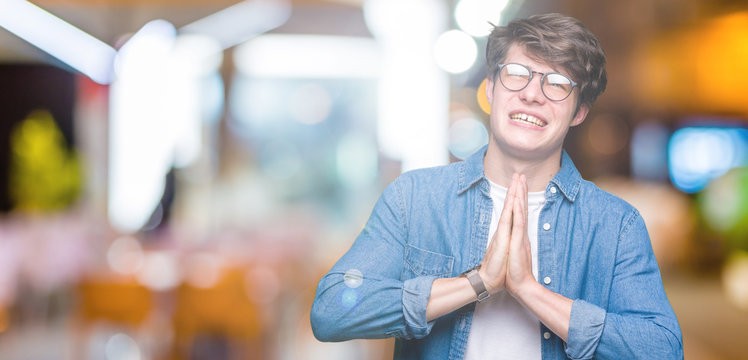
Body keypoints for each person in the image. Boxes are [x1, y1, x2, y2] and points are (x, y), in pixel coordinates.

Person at [310, 12, 683, 360]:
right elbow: (333, 309)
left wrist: (529, 291)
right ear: (491, 89)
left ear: (579, 112)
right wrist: (478, 282)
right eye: (518, 73)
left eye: (557, 83)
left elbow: (663, 348)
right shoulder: (414, 199)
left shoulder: (616, 225)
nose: (533, 94)